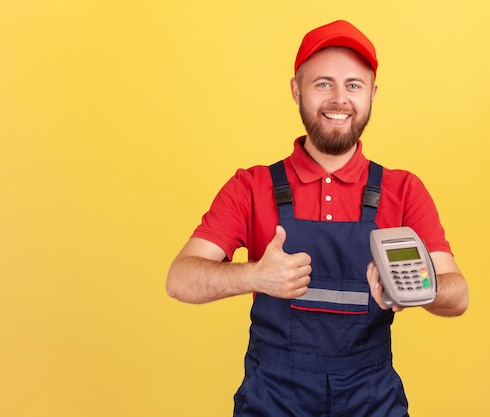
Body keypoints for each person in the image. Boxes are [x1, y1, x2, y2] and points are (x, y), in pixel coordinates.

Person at [167, 20, 469, 417]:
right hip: (273, 398)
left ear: (372, 94)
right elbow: (180, 279)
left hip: (371, 398)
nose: (339, 99)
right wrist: (254, 276)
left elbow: (458, 294)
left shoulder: (403, 190)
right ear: (297, 90)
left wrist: (414, 291)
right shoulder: (251, 186)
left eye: (353, 85)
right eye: (323, 84)